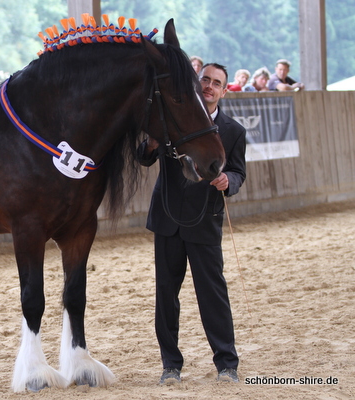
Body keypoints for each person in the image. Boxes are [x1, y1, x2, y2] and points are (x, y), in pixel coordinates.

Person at [137, 63, 246, 385]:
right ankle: (171, 364)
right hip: (167, 219)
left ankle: (227, 364)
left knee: (213, 295)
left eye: (217, 83)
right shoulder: (173, 118)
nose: (210, 86)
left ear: (224, 91)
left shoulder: (234, 131)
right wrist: (152, 144)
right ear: (197, 84)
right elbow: (143, 157)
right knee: (166, 297)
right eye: (206, 80)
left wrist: (230, 180)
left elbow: (239, 172)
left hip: (205, 222)